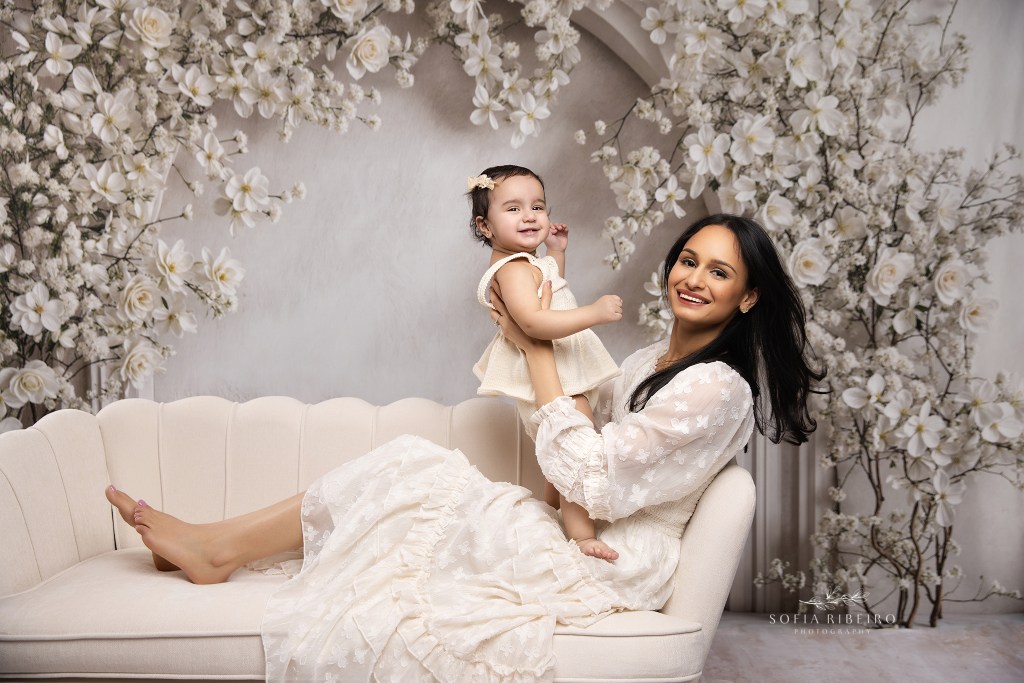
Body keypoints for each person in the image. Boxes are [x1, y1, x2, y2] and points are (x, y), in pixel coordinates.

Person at [105, 212, 824, 682]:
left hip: (614, 559)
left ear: (749, 297)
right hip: (579, 527)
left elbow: (595, 477)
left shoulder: (718, 390)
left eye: (719, 272)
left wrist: (533, 342)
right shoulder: (647, 364)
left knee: (413, 469)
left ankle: (216, 548)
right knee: (410, 466)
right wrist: (539, 306)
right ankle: (218, 546)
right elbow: (570, 430)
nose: (693, 279)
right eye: (688, 260)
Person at [467, 164, 622, 561]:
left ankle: (553, 517)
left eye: (538, 206)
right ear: (485, 227)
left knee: (560, 452)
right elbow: (536, 321)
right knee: (575, 445)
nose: (531, 215)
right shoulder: (513, 269)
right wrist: (594, 313)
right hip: (552, 378)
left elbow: (550, 292)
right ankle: (582, 535)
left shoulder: (528, 264)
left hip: (558, 371)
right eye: (514, 209)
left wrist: (555, 254)